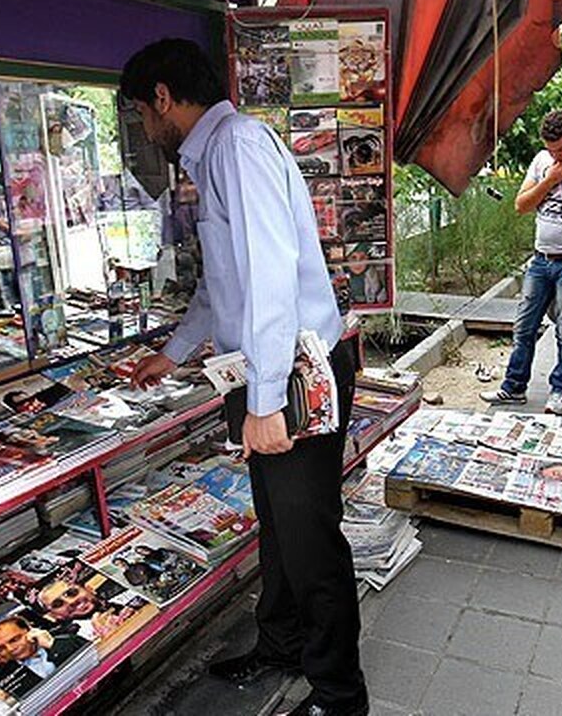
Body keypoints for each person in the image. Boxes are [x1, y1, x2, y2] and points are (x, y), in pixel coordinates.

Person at [122, 39, 366, 716]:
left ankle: (339, 695)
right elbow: (223, 282)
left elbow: (269, 275)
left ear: (163, 98)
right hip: (266, 374)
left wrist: (265, 402)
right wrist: (174, 353)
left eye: (142, 111)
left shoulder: (236, 147)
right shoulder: (217, 154)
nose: (145, 126)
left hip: (291, 377)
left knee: (310, 539)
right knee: (278, 527)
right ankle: (281, 644)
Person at [480, 110, 562, 415]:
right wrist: (550, 180)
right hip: (540, 259)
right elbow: (521, 205)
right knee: (524, 326)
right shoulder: (543, 161)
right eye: (551, 149)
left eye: (561, 149)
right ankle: (514, 387)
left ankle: (561, 390)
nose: (556, 155)